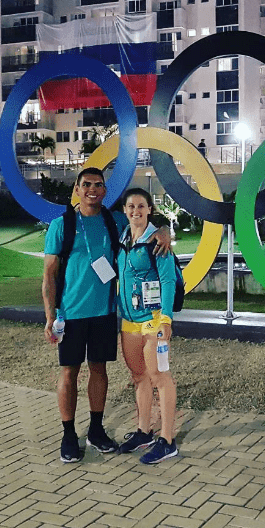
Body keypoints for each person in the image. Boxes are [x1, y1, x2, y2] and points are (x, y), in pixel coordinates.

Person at [43, 168, 170, 463]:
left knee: (99, 370)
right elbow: (49, 275)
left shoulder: (112, 221)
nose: (92, 189)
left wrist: (164, 231)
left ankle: (97, 430)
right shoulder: (62, 225)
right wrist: (50, 316)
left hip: (104, 312)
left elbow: (144, 219)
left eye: (98, 185)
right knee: (69, 372)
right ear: (77, 189)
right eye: (86, 184)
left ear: (104, 191)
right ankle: (68, 434)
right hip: (71, 313)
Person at [116, 188, 179, 464]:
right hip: (129, 320)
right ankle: (144, 431)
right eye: (131, 206)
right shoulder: (122, 237)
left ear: (149, 209)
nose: (135, 211)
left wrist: (166, 319)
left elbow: (167, 281)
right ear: (125, 210)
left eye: (141, 206)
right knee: (139, 376)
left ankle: (167, 440)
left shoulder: (157, 240)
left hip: (153, 321)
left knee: (159, 377)